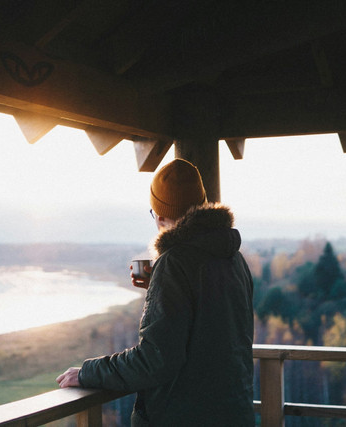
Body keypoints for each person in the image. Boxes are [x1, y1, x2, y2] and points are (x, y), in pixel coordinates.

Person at [57, 158, 254, 426]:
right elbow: (213, 323)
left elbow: (155, 359)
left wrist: (88, 372)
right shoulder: (233, 257)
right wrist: (160, 288)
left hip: (185, 417)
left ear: (160, 216)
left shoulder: (174, 262)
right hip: (233, 412)